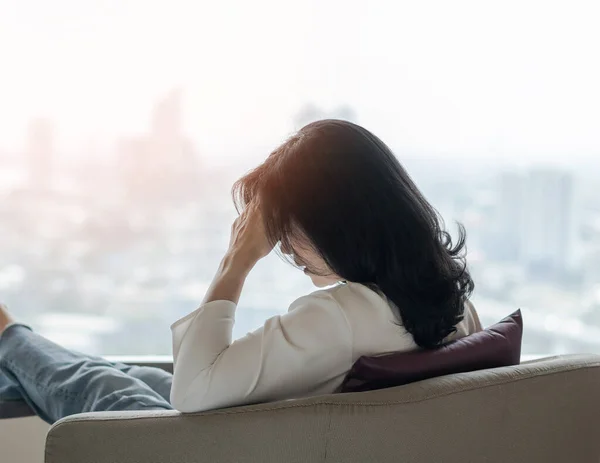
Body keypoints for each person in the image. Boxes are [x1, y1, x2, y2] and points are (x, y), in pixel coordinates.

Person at [0, 120, 481, 424]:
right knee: (137, 375)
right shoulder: (456, 306)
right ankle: (13, 359)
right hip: (280, 432)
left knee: (100, 385)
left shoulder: (342, 316)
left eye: (286, 229)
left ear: (334, 223)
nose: (286, 249)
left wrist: (236, 260)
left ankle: (8, 336)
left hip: (223, 452)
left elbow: (191, 392)